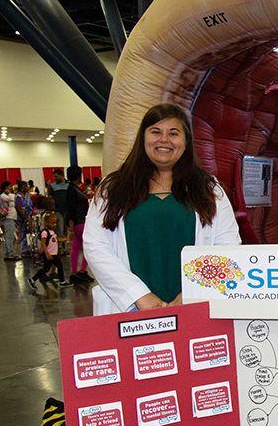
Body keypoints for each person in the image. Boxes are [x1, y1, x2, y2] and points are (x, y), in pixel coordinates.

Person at [83, 103, 241, 314]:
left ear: (186, 142)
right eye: (155, 132)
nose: (164, 139)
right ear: (143, 139)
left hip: (192, 305)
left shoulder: (209, 189)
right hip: (131, 308)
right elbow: (96, 246)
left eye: (173, 133)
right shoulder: (113, 188)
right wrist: (139, 295)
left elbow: (228, 247)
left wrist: (191, 293)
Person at [29, 213, 72, 292]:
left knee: (59, 266)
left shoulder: (52, 232)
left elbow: (57, 239)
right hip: (49, 254)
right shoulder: (45, 232)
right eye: (52, 223)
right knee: (46, 269)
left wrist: (66, 239)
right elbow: (43, 243)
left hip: (54, 254)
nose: (54, 225)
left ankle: (62, 281)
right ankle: (33, 279)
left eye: (55, 223)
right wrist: (47, 253)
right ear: (46, 223)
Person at [66, 165, 91, 284]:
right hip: (80, 222)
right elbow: (70, 210)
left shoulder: (74, 188)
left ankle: (75, 272)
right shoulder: (72, 190)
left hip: (78, 222)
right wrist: (71, 228)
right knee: (87, 246)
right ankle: (82, 271)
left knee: (76, 247)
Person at [0, 181, 19, 260]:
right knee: (9, 236)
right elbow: (13, 199)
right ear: (6, 187)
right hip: (8, 217)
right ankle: (10, 253)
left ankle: (7, 253)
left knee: (8, 236)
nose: (11, 188)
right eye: (10, 186)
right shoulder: (3, 195)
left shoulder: (5, 195)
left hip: (10, 217)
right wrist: (11, 193)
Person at [48, 168, 70, 238]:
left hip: (67, 210)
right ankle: (60, 247)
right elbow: (50, 198)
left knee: (65, 229)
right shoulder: (53, 186)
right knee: (59, 229)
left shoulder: (69, 184)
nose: (55, 178)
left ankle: (64, 245)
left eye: (56, 176)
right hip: (58, 210)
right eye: (54, 177)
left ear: (61, 175)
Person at [15, 181, 35, 257]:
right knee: (23, 233)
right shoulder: (18, 197)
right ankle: (24, 251)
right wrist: (24, 218)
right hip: (23, 217)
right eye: (26, 186)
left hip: (29, 216)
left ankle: (29, 249)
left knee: (29, 233)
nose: (28, 187)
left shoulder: (26, 195)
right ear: (22, 188)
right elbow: (18, 208)